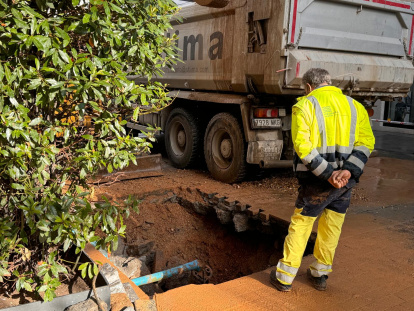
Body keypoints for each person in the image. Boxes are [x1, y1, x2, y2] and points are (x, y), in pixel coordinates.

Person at [270, 68, 375, 292]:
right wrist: (347, 172)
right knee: (332, 226)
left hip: (317, 181)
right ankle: (319, 274)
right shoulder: (355, 107)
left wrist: (328, 174)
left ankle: (284, 277)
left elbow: (303, 147)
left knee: (302, 224)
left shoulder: (304, 106)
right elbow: (366, 143)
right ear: (329, 82)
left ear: (308, 87)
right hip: (345, 183)